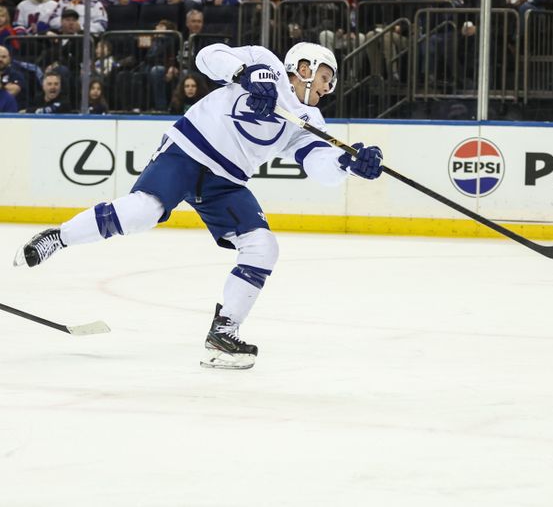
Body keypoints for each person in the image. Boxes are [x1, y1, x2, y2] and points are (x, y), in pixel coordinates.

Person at [13, 42, 384, 370]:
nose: (328, 87)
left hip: (227, 181)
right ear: (304, 66)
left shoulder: (308, 121)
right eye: (325, 77)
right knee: (143, 211)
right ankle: (59, 238)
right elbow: (208, 56)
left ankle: (224, 333)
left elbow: (317, 162)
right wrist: (245, 72)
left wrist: (346, 163)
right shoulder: (264, 60)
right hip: (189, 150)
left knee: (262, 246)